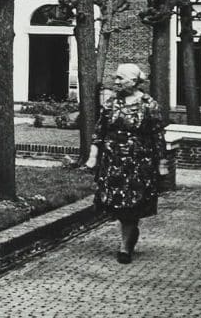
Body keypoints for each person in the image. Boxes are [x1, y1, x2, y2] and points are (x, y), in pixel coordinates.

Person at [85, 63, 165, 264]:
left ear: (134, 81)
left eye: (121, 78)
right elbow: (99, 132)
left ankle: (125, 246)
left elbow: (157, 136)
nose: (116, 81)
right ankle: (127, 236)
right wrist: (93, 156)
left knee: (131, 206)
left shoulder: (149, 105)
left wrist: (161, 163)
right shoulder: (110, 103)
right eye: (116, 78)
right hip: (113, 163)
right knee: (117, 205)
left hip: (137, 164)